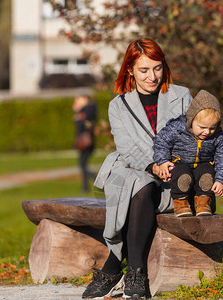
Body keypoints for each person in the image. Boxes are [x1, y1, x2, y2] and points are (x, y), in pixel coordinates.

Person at [82, 38, 193, 299]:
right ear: (130, 69)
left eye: (157, 68)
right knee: (139, 184)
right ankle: (136, 272)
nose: (152, 76)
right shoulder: (118, 106)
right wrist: (153, 165)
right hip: (132, 168)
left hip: (172, 173)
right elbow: (126, 148)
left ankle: (113, 268)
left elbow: (192, 139)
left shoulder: (182, 96)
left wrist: (168, 164)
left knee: (142, 189)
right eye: (144, 70)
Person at [153, 89, 223, 217]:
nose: (207, 132)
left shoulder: (218, 137)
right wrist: (162, 161)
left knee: (207, 173)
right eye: (202, 127)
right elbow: (161, 142)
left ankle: (203, 202)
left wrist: (221, 180)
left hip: (203, 165)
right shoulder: (177, 128)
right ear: (191, 120)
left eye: (212, 128)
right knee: (181, 174)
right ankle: (181, 203)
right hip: (180, 163)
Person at [72, 94, 97, 192]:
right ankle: (85, 187)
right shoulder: (86, 109)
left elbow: (83, 122)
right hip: (83, 141)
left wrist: (78, 116)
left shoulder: (89, 108)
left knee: (82, 165)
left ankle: (94, 178)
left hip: (86, 141)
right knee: (82, 165)